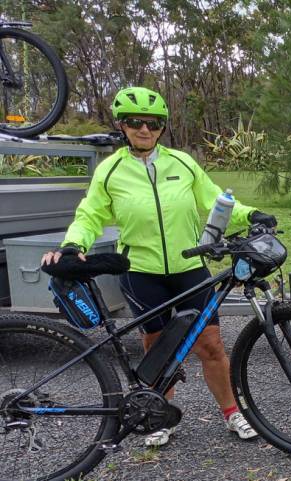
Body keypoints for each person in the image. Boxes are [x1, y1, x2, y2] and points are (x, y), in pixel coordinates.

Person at [41, 86, 277, 446]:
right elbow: (89, 215)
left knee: (211, 345)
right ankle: (159, 417)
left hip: (189, 267)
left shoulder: (182, 163)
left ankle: (233, 413)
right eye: (136, 122)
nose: (144, 129)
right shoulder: (110, 170)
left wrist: (251, 214)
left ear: (162, 127)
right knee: (157, 348)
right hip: (141, 273)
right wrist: (74, 245)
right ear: (122, 125)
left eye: (153, 123)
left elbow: (216, 200)